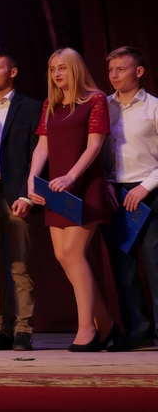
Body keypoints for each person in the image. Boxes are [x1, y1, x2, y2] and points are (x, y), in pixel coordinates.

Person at [26, 48, 119, 351]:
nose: (57, 74)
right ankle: (105, 325)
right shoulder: (50, 104)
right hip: (56, 189)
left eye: (63, 68)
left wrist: (71, 177)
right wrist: (32, 179)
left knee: (73, 253)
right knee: (62, 256)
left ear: (76, 69)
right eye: (53, 69)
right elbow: (42, 147)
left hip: (83, 186)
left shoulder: (95, 100)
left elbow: (94, 146)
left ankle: (87, 329)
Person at [0, 49, 42, 351]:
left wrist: (28, 195)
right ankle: (1, 328)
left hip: (16, 194)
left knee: (20, 264)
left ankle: (23, 328)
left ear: (12, 72)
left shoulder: (31, 107)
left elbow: (36, 154)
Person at [104, 46, 158, 351]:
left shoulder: (154, 107)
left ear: (138, 71)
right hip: (114, 191)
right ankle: (138, 332)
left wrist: (145, 187)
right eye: (111, 70)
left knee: (155, 263)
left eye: (121, 69)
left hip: (149, 189)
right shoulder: (103, 106)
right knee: (123, 268)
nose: (114, 75)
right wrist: (106, 183)